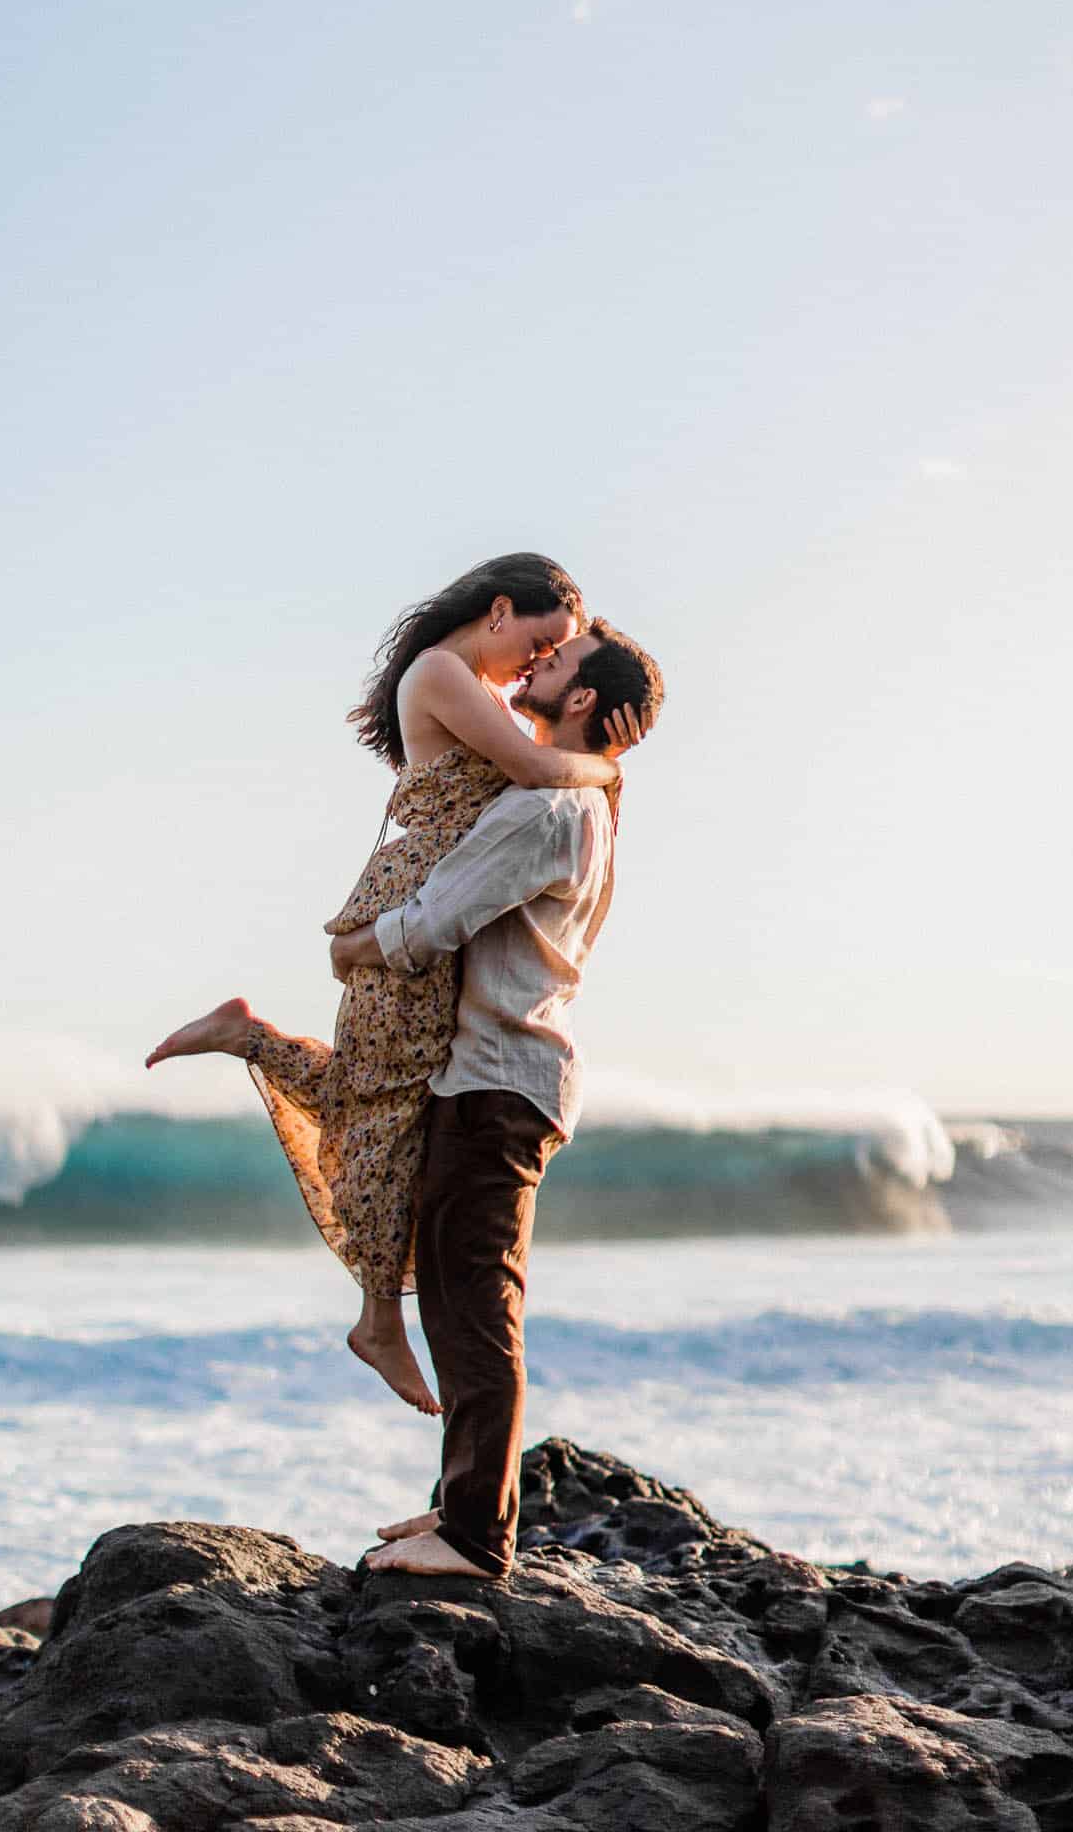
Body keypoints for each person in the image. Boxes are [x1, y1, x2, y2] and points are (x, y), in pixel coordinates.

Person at [144, 555, 640, 1417]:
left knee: (378, 1104)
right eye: (543, 639)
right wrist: (610, 762)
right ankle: (378, 1318)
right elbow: (537, 772)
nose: (538, 660)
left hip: (418, 912)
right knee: (382, 1116)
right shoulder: (446, 673)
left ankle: (247, 1036)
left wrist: (600, 759)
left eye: (557, 654)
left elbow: (537, 779)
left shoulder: (468, 684)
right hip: (408, 915)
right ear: (498, 609)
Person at [334, 617, 665, 1579]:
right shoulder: (582, 805)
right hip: (511, 1076)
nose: (535, 666)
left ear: (582, 703)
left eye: (555, 663)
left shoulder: (544, 811)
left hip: (497, 1081)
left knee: (474, 1303)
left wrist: (357, 947)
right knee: (458, 1295)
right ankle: (460, 1507)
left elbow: (437, 921)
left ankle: (477, 1536)